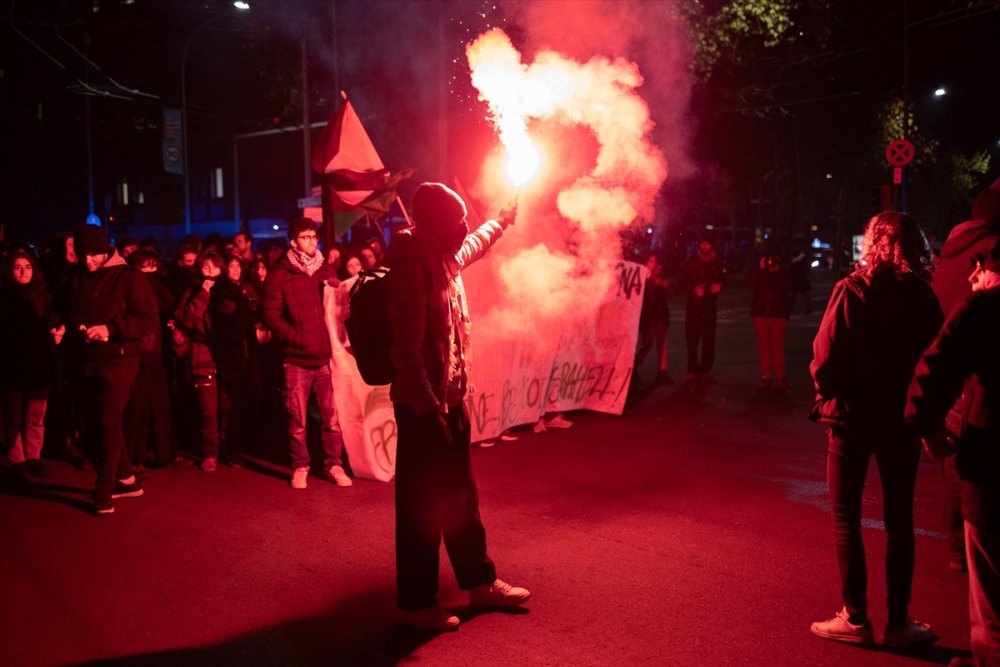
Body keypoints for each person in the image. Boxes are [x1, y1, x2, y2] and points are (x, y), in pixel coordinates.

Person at [384, 182, 528, 632]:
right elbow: (405, 352)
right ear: (432, 223)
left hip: (449, 403)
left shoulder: (445, 254)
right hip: (422, 409)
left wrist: (500, 220)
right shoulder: (412, 265)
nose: (465, 227)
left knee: (460, 498)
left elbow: (474, 245)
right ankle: (416, 606)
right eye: (457, 220)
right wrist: (429, 412)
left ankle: (479, 583)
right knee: (420, 508)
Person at [808, 211, 942, 647]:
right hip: (899, 420)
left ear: (872, 243)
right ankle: (899, 621)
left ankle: (856, 617)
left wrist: (826, 391)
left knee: (846, 516)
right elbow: (935, 358)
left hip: (850, 416)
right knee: (899, 520)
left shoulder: (852, 291)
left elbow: (825, 356)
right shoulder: (922, 296)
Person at [906, 238, 1000, 667]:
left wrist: (927, 429)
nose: (970, 276)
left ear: (988, 267)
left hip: (991, 469)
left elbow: (935, 370)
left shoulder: (984, 309)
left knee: (993, 595)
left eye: (976, 267)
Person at [928, 183, 1000, 572]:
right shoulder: (988, 257)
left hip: (956, 376)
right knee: (971, 466)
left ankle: (960, 546)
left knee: (957, 462)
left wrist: (925, 419)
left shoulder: (949, 254)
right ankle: (969, 546)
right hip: (978, 378)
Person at [61, 225, 158, 515]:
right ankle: (127, 479)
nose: (87, 260)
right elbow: (63, 308)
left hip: (119, 358)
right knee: (92, 426)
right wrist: (61, 326)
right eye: (82, 254)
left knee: (107, 421)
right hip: (85, 360)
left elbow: (147, 319)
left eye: (93, 254)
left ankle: (103, 491)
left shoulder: (129, 276)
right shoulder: (76, 278)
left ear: (105, 250)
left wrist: (110, 329)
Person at [262, 217, 351, 489]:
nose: (311, 241)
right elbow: (271, 316)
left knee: (332, 419)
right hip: (296, 361)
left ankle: (333, 464)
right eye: (305, 237)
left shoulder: (326, 271)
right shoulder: (280, 274)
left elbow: (339, 310)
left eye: (314, 237)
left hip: (325, 359)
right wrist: (297, 338)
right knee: (297, 420)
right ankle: (300, 465)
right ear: (293, 242)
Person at [0, 250, 63, 481]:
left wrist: (57, 328)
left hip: (39, 365)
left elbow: (53, 318)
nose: (24, 271)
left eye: (27, 266)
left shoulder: (43, 296)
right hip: (11, 365)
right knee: (12, 416)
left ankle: (34, 456)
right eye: (18, 267)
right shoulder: (3, 297)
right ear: (9, 270)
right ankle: (18, 459)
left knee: (36, 415)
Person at [677, 238, 724, 382]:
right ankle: (692, 370)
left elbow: (722, 279)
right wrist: (694, 288)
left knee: (709, 339)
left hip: (710, 306)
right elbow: (681, 281)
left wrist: (719, 286)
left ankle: (705, 370)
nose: (704, 246)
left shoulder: (716, 261)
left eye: (707, 243)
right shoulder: (691, 261)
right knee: (692, 339)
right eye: (702, 243)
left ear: (711, 245)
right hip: (694, 306)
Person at [746, 252, 792, 390]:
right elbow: (750, 284)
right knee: (764, 347)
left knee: (777, 347)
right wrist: (761, 269)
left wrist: (776, 272)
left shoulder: (783, 272)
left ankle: (779, 376)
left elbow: (788, 287)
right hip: (761, 314)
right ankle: (766, 376)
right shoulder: (761, 274)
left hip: (778, 314)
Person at [634, 253, 673, 385]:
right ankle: (634, 367)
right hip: (648, 316)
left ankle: (662, 373)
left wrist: (665, 286)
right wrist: (651, 282)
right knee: (648, 344)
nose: (653, 264)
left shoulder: (661, 275)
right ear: (646, 262)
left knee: (663, 345)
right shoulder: (641, 275)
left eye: (655, 261)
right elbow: (641, 296)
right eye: (650, 261)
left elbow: (669, 294)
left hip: (660, 314)